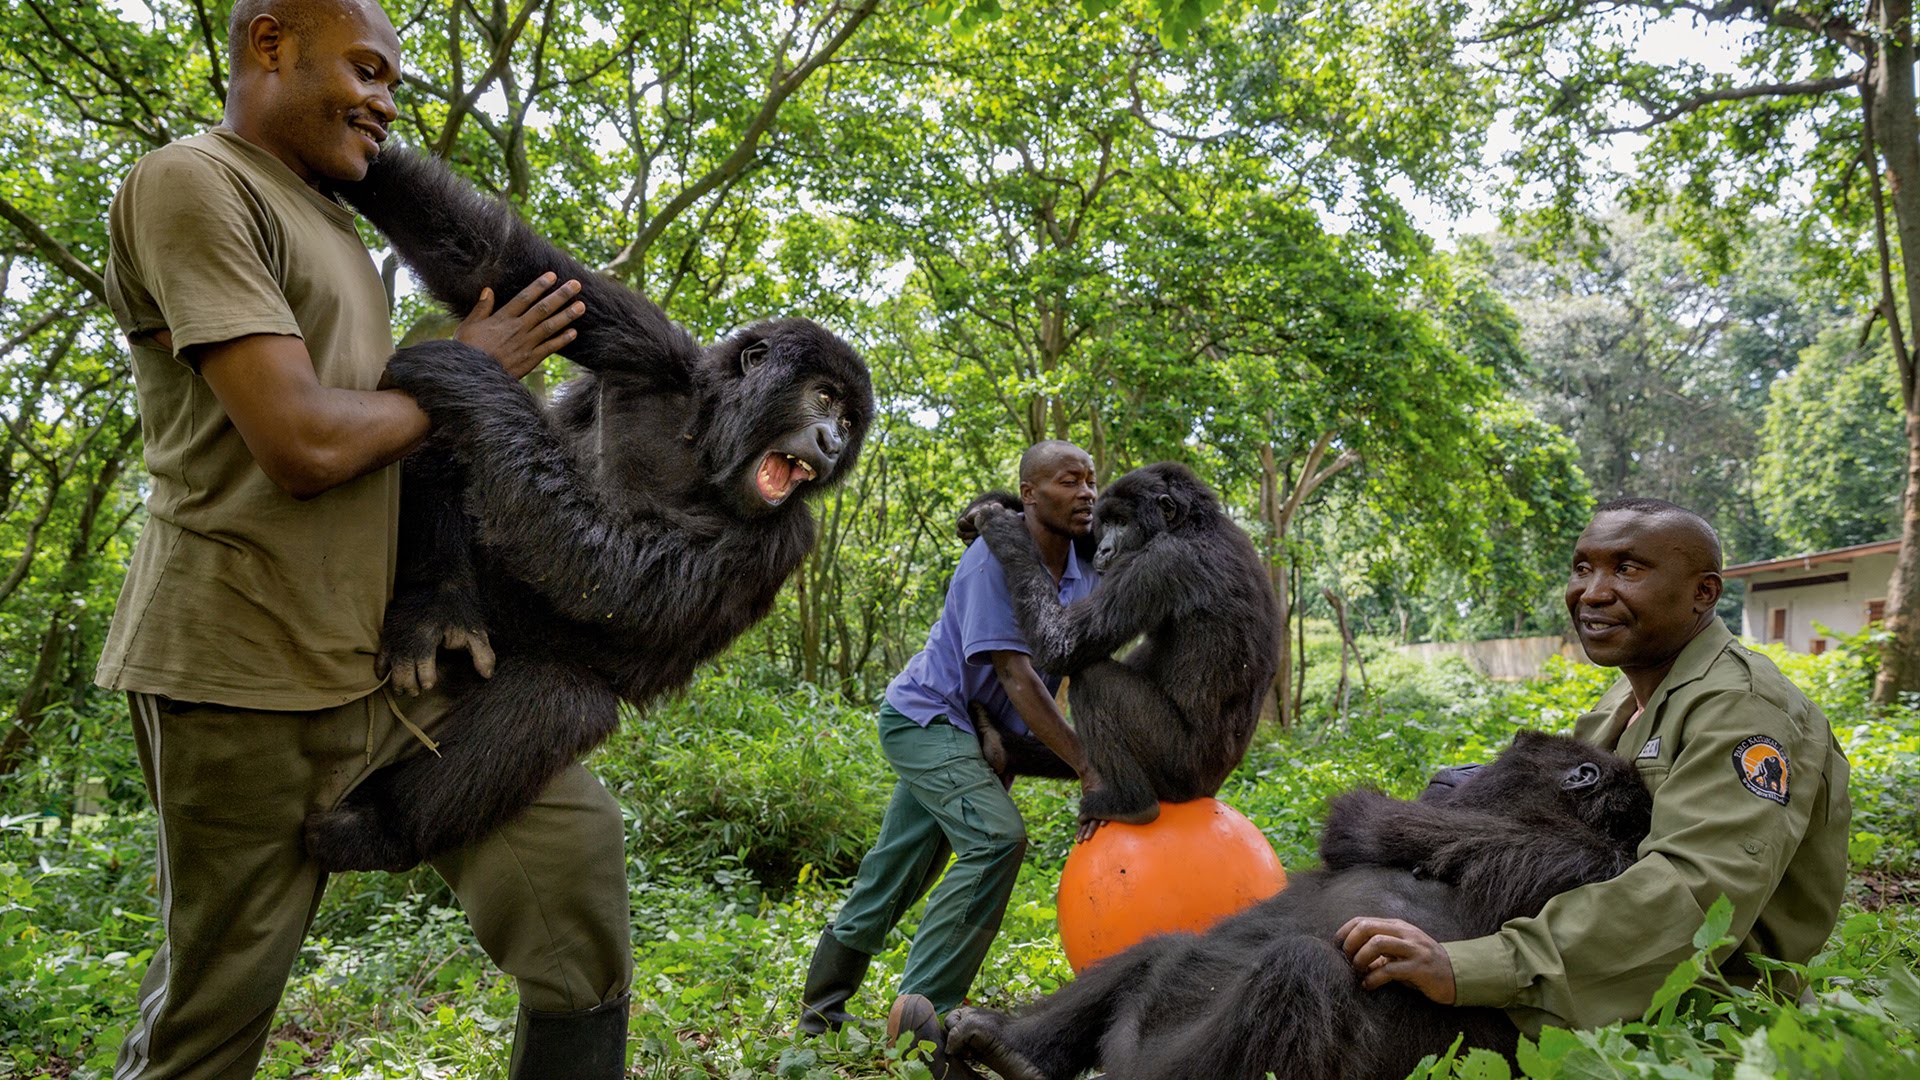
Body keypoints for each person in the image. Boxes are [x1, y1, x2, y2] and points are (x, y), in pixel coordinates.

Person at [95, 1, 632, 1075]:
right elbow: (298, 441)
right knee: (214, 1016)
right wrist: (474, 369)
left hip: (390, 674)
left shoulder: (330, 221)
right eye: (369, 71)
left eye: (395, 85)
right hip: (238, 673)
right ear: (271, 44)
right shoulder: (194, 182)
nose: (387, 103)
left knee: (574, 868)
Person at [1339, 497, 1851, 1035]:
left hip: (1702, 1004)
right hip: (1589, 963)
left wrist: (1472, 966)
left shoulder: (1743, 711)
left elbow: (1695, 892)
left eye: (1627, 569)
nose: (1593, 591)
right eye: (1583, 567)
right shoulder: (1626, 698)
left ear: (1705, 593)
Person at [797, 441, 1100, 1079]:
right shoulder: (994, 557)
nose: (1086, 493)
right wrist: (1086, 766)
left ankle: (819, 1017)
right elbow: (1017, 675)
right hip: (925, 719)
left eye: (1091, 480)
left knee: (894, 873)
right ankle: (924, 1019)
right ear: (1029, 494)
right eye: (1068, 481)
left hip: (973, 731)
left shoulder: (1084, 563)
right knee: (996, 839)